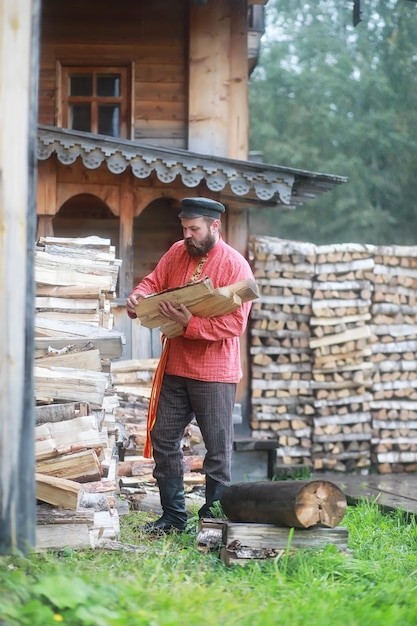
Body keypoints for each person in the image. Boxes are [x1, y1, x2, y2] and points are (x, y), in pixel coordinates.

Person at [126, 197, 255, 533]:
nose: (188, 235)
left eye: (194, 229)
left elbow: (234, 324)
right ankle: (173, 517)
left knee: (217, 449)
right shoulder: (177, 251)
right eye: (184, 228)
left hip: (215, 374)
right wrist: (139, 295)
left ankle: (213, 522)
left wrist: (190, 325)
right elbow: (153, 282)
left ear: (215, 226)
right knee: (163, 438)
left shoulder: (235, 265)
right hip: (176, 366)